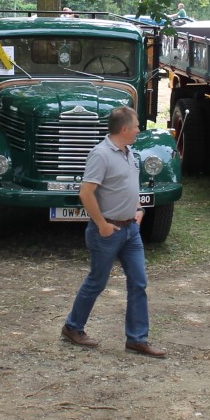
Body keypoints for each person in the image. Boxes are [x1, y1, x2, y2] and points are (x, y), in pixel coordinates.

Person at [60, 106, 165, 357]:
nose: (140, 129)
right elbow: (86, 193)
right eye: (137, 125)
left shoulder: (129, 152)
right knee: (97, 282)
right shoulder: (101, 154)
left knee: (139, 282)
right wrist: (103, 225)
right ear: (125, 128)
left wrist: (138, 208)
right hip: (107, 231)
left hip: (131, 231)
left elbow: (127, 186)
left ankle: (137, 339)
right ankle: (73, 327)